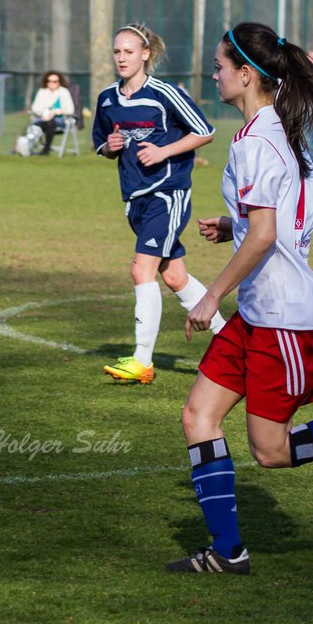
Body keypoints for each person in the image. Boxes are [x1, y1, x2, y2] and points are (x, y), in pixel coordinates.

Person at [168, 22, 313, 575]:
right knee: (197, 416)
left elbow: (266, 235)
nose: (213, 74)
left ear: (246, 74)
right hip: (259, 313)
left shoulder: (258, 141)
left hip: (282, 318)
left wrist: (210, 295)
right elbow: (281, 219)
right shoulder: (280, 129)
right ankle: (228, 551)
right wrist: (231, 221)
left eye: (219, 66)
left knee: (271, 452)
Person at [91, 22, 223, 384]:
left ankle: (142, 361)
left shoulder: (164, 93)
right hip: (135, 198)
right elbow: (101, 141)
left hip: (168, 192)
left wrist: (164, 150)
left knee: (141, 269)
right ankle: (231, 343)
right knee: (174, 276)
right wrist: (109, 148)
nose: (121, 58)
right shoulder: (107, 99)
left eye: (129, 51)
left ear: (145, 54)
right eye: (117, 51)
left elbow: (205, 131)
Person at [29, 71, 75, 156]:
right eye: (49, 81)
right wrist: (44, 113)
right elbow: (35, 108)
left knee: (50, 123)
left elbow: (70, 110)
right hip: (42, 119)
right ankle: (26, 149)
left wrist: (54, 112)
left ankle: (46, 149)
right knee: (35, 126)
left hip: (60, 120)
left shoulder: (64, 92)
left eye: (55, 81)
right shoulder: (42, 91)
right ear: (46, 82)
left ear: (59, 82)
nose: (52, 83)